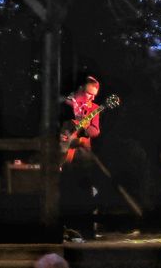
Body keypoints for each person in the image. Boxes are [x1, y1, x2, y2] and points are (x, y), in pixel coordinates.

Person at [59, 75, 101, 239]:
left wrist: (86, 127)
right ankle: (66, 229)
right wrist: (60, 136)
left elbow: (96, 131)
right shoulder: (65, 104)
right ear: (80, 90)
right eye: (90, 94)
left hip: (82, 155)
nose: (92, 98)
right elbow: (57, 125)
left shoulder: (94, 108)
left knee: (85, 191)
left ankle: (86, 231)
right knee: (64, 190)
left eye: (95, 95)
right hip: (63, 153)